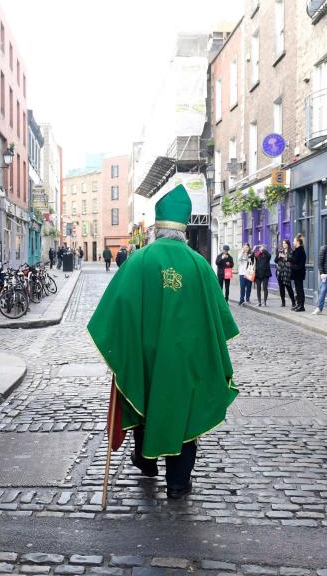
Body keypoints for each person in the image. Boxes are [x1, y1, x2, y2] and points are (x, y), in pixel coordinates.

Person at [88, 184, 239, 500]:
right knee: (183, 413)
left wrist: (123, 346)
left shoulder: (139, 260)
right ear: (184, 230)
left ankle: (145, 463)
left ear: (157, 228)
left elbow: (116, 312)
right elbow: (218, 320)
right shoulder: (199, 265)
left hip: (147, 356)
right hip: (187, 359)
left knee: (145, 400)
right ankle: (178, 483)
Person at [275, 240, 296, 308]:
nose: (284, 244)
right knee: (281, 288)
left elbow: (293, 260)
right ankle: (283, 302)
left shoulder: (291, 251)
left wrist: (285, 257)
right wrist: (279, 256)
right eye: (283, 243)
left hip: (287, 272)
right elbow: (275, 260)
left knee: (289, 287)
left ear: (288, 244)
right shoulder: (280, 251)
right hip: (280, 271)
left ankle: (293, 302)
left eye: (285, 243)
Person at [290, 235, 307, 312]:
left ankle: (301, 306)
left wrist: (288, 259)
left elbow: (296, 261)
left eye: (294, 241)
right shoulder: (296, 250)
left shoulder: (300, 251)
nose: (293, 242)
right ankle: (298, 304)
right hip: (296, 272)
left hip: (299, 273)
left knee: (300, 290)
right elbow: (294, 260)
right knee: (297, 289)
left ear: (298, 242)